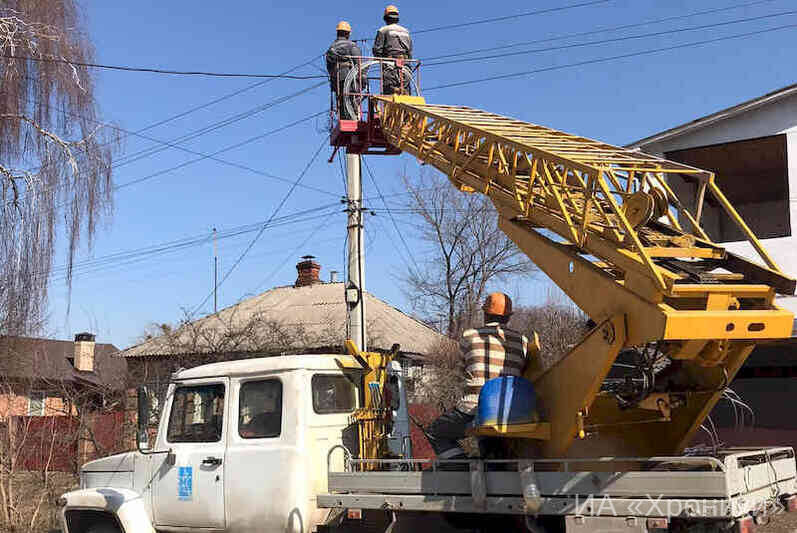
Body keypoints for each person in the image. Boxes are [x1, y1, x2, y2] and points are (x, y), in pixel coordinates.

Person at [426, 293, 529, 462]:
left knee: (435, 432)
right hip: (512, 411)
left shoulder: (470, 336)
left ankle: (463, 467)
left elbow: (462, 372)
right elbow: (522, 371)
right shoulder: (522, 341)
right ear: (508, 317)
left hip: (475, 407)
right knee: (491, 441)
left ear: (485, 314)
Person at [373, 5, 413, 95]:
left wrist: (382, 62)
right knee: (405, 90)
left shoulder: (383, 30)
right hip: (405, 65)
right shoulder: (406, 31)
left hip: (390, 65)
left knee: (390, 90)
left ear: (386, 18)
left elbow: (377, 50)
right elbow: (410, 52)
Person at [326, 21, 362, 120]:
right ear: (348, 33)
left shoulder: (332, 48)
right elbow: (359, 63)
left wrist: (333, 78)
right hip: (350, 77)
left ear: (338, 33)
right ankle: (352, 118)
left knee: (342, 99)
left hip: (338, 78)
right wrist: (362, 78)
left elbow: (329, 66)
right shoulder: (352, 46)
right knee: (351, 99)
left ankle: (344, 118)